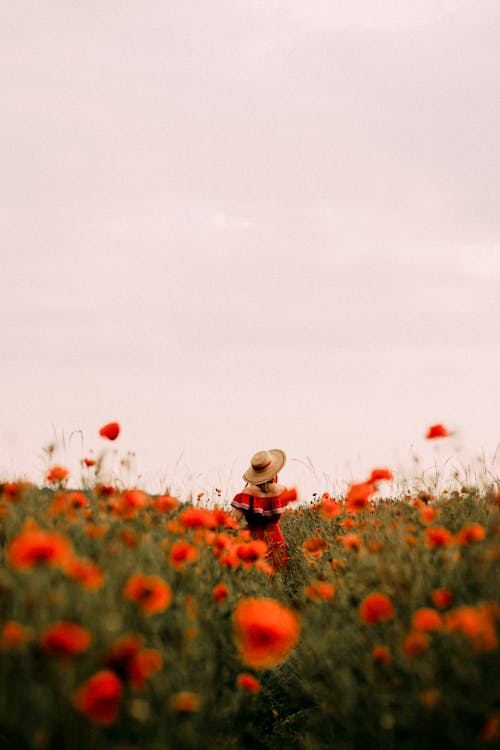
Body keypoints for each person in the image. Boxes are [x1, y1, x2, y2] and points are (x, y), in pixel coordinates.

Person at [231, 449, 296, 570]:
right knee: (276, 578)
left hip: (252, 540)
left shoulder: (247, 493)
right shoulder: (282, 490)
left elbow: (232, 521)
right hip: (276, 539)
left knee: (254, 577)